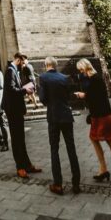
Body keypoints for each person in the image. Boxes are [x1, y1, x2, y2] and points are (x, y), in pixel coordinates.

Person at [75, 59, 111, 186]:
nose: (80, 73)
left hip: (102, 116)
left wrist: (84, 96)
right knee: (94, 138)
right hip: (100, 115)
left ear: (86, 68)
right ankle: (103, 169)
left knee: (109, 140)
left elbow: (96, 98)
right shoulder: (94, 79)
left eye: (81, 70)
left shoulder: (95, 80)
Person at [38, 56, 80, 195]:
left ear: (46, 65)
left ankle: (58, 184)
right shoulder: (64, 77)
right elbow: (69, 96)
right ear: (55, 65)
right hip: (67, 116)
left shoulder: (43, 78)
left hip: (54, 117)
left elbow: (43, 99)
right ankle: (76, 184)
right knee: (71, 149)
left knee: (54, 149)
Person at [4, 53, 41, 178]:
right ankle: (20, 167)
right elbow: (11, 90)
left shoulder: (15, 71)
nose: (24, 66)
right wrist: (25, 90)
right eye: (23, 63)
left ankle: (27, 164)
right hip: (12, 110)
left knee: (21, 138)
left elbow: (15, 88)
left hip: (17, 109)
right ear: (18, 60)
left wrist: (24, 88)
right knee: (16, 139)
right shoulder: (10, 71)